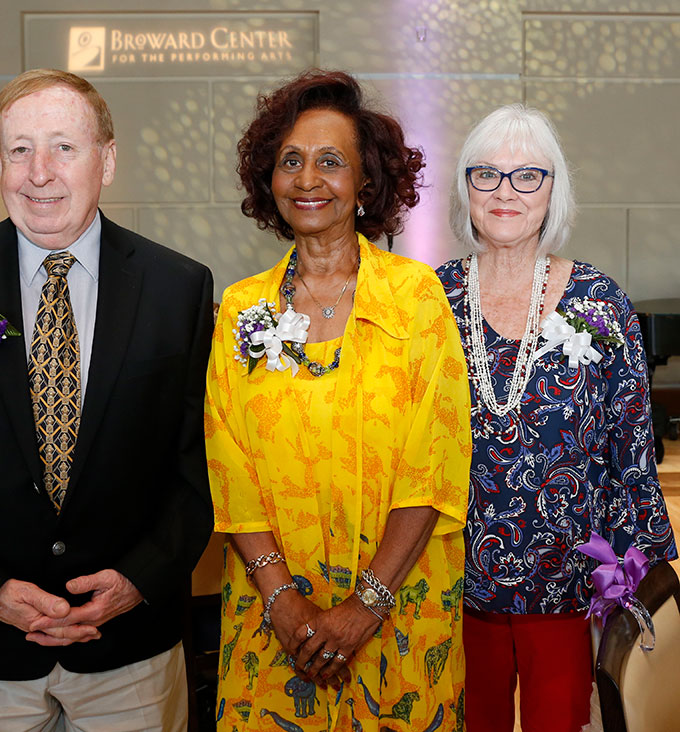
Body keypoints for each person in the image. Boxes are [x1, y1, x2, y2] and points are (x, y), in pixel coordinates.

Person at [0, 68, 214, 730]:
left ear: (107, 159)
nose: (39, 172)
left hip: (130, 656)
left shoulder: (179, 288)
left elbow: (199, 463)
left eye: (64, 146)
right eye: (19, 149)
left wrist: (138, 581)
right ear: (0, 162)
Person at [205, 69, 472, 732]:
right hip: (274, 622)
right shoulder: (245, 309)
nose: (307, 179)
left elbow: (433, 460)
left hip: (399, 614)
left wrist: (366, 607)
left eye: (330, 162)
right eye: (290, 161)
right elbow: (229, 459)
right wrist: (284, 602)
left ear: (364, 184)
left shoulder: (415, 300)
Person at [435, 103, 677, 732]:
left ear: (554, 189)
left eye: (527, 176)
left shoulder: (600, 301)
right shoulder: (427, 301)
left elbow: (631, 451)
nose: (505, 192)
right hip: (449, 584)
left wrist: (643, 577)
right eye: (485, 174)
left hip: (566, 587)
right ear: (465, 188)